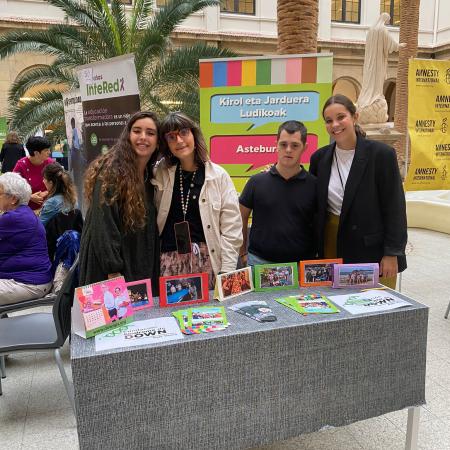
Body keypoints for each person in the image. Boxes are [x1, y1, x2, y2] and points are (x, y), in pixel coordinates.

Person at [309, 94, 407, 289]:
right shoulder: (319, 158)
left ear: (355, 117)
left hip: (372, 250)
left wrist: (392, 252)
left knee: (374, 310)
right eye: (329, 121)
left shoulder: (381, 155)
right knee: (337, 303)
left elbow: (394, 207)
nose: (335, 124)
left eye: (340, 117)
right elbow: (308, 195)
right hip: (331, 244)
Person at [153, 112, 242, 289]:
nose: (179, 141)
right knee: (170, 314)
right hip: (168, 262)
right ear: (166, 144)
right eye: (171, 137)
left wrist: (227, 270)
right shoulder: (160, 173)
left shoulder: (218, 176)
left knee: (209, 315)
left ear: (194, 134)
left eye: (184, 132)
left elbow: (232, 228)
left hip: (208, 261)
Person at [78, 111, 160, 289]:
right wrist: (113, 270)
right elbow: (103, 226)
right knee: (114, 317)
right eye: (137, 131)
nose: (143, 137)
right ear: (128, 135)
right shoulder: (111, 173)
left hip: (136, 265)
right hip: (111, 273)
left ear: (157, 141)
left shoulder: (149, 176)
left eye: (150, 133)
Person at [239, 120, 317, 266]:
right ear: (276, 145)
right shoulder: (256, 182)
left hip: (301, 266)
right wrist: (243, 253)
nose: (288, 150)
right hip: (259, 263)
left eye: (295, 145)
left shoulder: (315, 185)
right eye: (283, 144)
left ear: (305, 148)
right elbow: (240, 217)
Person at [0, 172, 52, 305]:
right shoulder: (23, 212)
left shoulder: (13, 218)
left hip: (28, 283)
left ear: (13, 199)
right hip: (30, 279)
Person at [356, 13, 406, 123]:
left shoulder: (371, 30)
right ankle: (374, 96)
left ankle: (367, 98)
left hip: (370, 61)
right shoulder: (382, 29)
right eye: (388, 20)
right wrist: (399, 46)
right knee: (377, 80)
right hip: (378, 62)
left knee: (369, 80)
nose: (388, 22)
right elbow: (391, 43)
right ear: (385, 19)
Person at [13, 136, 54, 210]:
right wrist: (29, 197)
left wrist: (47, 192)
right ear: (36, 153)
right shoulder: (21, 165)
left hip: (50, 207)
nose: (49, 152)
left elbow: (62, 183)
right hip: (27, 209)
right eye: (46, 150)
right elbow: (13, 188)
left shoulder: (51, 163)